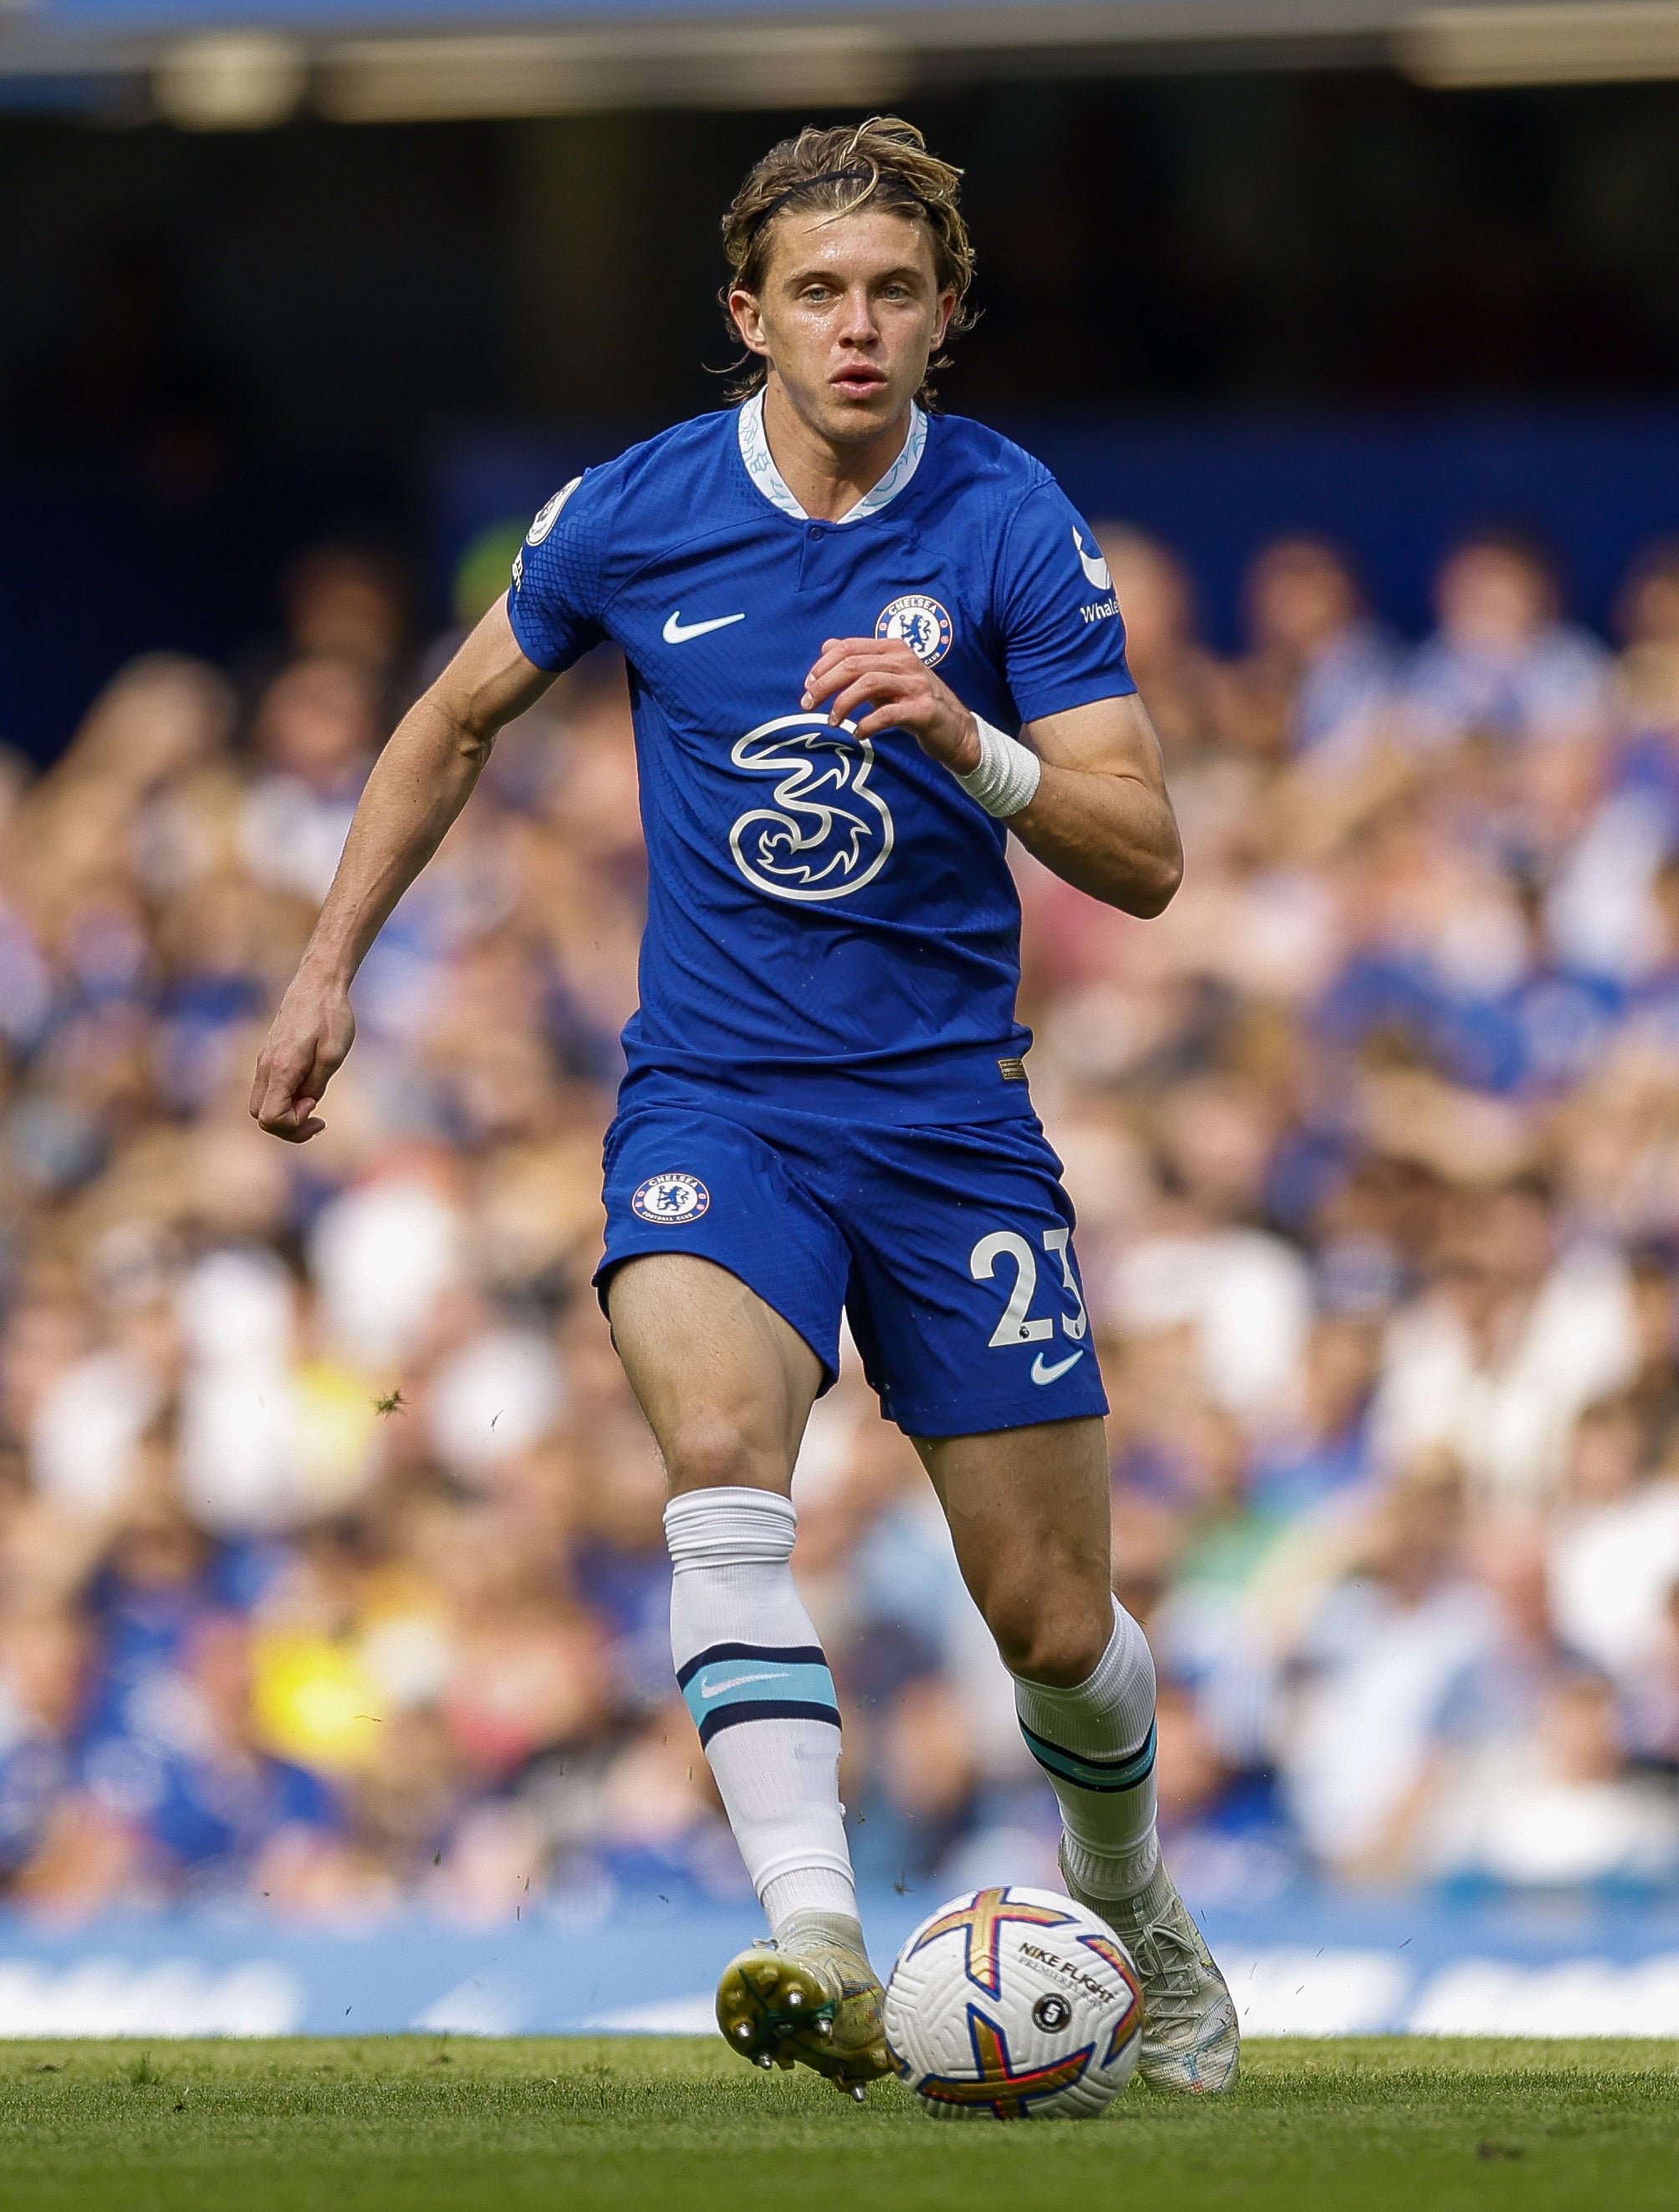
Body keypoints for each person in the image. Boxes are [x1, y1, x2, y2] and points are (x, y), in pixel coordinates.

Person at [250, 117, 1237, 2099]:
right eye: (817, 292)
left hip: (952, 1120)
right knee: (718, 1445)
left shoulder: (1009, 522)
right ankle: (811, 1930)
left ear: (945, 314)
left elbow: (1146, 855)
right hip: (716, 1094)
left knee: (1049, 1619)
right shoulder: (633, 513)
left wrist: (976, 745)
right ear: (747, 314)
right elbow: (449, 718)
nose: (856, 326)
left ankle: (1134, 1910)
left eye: (893, 292)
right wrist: (328, 954)